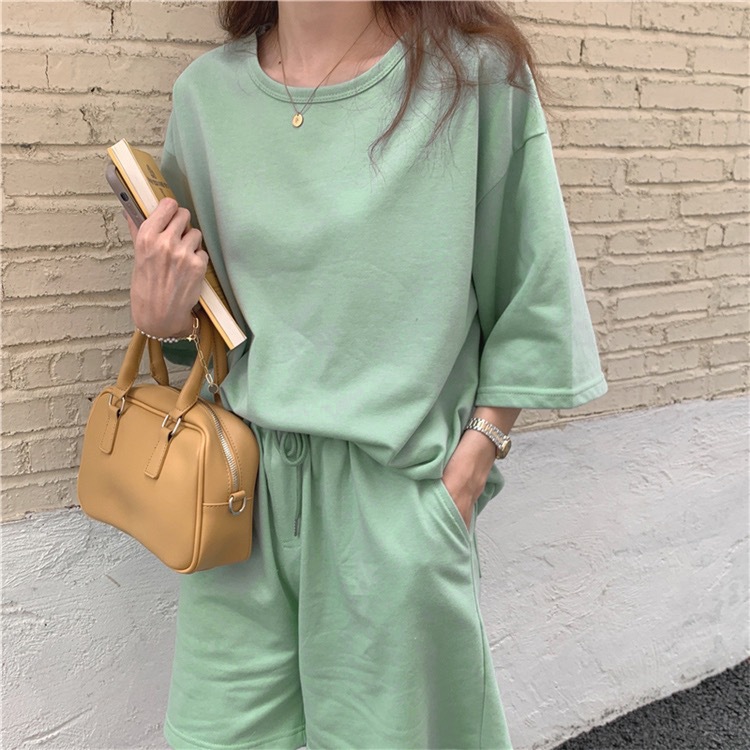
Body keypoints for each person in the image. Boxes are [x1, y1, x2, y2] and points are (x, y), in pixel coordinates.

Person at [125, 2, 608, 748]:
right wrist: (162, 316)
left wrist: (474, 461)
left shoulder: (474, 79)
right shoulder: (205, 97)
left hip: (392, 506)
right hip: (237, 502)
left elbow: (532, 287)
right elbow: (209, 334)